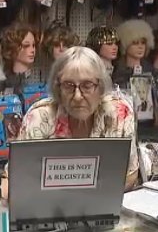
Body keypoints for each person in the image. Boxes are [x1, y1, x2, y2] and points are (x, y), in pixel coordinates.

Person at [18, 47, 139, 189]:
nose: (77, 96)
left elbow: (131, 174)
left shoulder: (119, 114)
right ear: (58, 89)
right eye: (68, 86)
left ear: (100, 88)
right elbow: (18, 178)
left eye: (87, 85)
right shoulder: (39, 117)